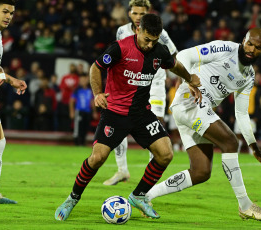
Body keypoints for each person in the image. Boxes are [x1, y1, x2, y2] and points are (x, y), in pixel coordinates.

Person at [55, 14, 201, 221]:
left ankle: (138, 196)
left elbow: (173, 64)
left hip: (142, 114)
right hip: (115, 113)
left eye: (154, 40)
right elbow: (95, 68)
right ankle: (72, 198)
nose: (150, 45)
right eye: (147, 39)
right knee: (97, 158)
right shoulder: (119, 48)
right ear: (138, 30)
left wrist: (189, 78)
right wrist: (97, 93)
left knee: (165, 154)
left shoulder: (160, 51)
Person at [146, 28, 261, 220]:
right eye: (249, 44)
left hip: (196, 110)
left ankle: (145, 196)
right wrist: (188, 79)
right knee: (231, 142)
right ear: (243, 40)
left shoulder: (248, 76)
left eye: (258, 48)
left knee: (201, 172)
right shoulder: (224, 48)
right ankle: (245, 205)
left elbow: (241, 113)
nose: (251, 49)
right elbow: (184, 55)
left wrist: (253, 145)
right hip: (189, 101)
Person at [103, 0, 179, 186]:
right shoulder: (121, 31)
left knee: (156, 130)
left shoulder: (159, 33)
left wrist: (176, 78)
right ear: (129, 13)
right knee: (119, 124)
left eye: (142, 14)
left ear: (148, 14)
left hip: (155, 85)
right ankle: (122, 170)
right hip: (130, 85)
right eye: (135, 13)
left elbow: (174, 55)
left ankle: (149, 181)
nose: (138, 18)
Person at [0, 0, 27, 204]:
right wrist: (2, 72)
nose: (9, 16)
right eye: (4, 11)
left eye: (11, 13)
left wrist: (8, 79)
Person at [69, 74, 94, 146]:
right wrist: (71, 112)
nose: (83, 81)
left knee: (85, 127)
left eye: (84, 79)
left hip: (88, 111)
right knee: (78, 128)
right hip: (79, 111)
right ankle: (77, 142)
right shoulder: (77, 90)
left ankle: (83, 142)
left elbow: (92, 101)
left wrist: (94, 111)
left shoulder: (90, 90)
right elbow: (71, 101)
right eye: (81, 80)